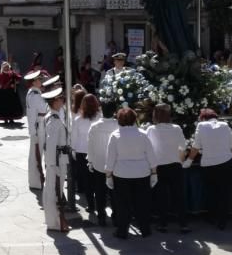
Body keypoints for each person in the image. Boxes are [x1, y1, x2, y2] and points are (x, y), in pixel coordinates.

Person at [104, 107, 157, 239]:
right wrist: (154, 173)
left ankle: (122, 231)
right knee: (142, 203)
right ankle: (145, 229)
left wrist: (108, 175)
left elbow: (110, 158)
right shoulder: (143, 134)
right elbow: (151, 156)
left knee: (122, 205)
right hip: (142, 173)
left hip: (122, 174)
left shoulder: (115, 136)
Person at [187, 109, 232, 230]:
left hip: (209, 164)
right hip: (226, 162)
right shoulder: (224, 125)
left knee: (211, 191)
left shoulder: (201, 125)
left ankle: (212, 216)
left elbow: (196, 147)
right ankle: (223, 219)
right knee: (224, 191)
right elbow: (231, 146)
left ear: (202, 118)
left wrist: (188, 161)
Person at [146, 104, 189, 233]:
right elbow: (183, 148)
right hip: (175, 165)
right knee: (179, 196)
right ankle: (183, 224)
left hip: (159, 166)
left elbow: (148, 149)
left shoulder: (151, 129)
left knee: (162, 197)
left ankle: (162, 223)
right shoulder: (176, 128)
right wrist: (180, 162)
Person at [42, 88, 70, 232]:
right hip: (57, 161)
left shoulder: (52, 117)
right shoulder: (53, 120)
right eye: (60, 99)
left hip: (58, 159)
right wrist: (53, 165)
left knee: (55, 190)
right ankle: (55, 222)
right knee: (55, 191)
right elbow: (51, 143)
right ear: (55, 101)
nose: (62, 101)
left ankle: (56, 221)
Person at [72, 94, 100, 214]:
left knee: (87, 181)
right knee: (98, 180)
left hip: (82, 152)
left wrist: (73, 150)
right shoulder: (100, 117)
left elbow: (73, 138)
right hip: (97, 152)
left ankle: (91, 205)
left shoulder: (78, 120)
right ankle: (99, 205)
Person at [24, 70, 47, 190]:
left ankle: (35, 181)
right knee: (36, 155)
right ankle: (36, 182)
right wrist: (33, 132)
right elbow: (32, 115)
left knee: (36, 154)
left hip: (40, 124)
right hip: (38, 126)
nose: (41, 81)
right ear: (34, 82)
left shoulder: (35, 93)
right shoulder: (34, 95)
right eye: (39, 79)